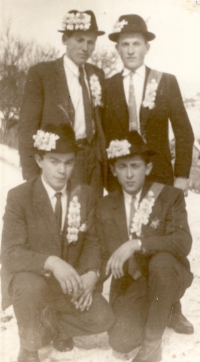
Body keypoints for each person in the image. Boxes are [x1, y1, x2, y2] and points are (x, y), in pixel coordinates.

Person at [1, 123, 114, 362]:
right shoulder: (20, 197)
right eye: (54, 161)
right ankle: (30, 346)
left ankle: (54, 325)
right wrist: (50, 261)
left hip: (68, 284)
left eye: (69, 162)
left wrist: (92, 274)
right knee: (29, 286)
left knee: (104, 317)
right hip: (33, 279)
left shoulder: (85, 195)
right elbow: (10, 253)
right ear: (40, 160)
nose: (62, 170)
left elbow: (93, 243)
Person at [97, 131, 193, 362]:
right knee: (121, 341)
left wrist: (137, 244)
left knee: (161, 263)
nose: (129, 174)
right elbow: (99, 250)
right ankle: (159, 312)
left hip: (167, 274)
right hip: (133, 282)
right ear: (113, 170)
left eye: (135, 166)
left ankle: (152, 344)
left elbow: (183, 241)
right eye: (122, 166)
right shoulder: (105, 205)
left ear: (147, 168)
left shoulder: (169, 196)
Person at [103, 14, 194, 197]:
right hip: (120, 180)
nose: (130, 51)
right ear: (117, 48)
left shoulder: (166, 82)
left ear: (147, 47)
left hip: (160, 177)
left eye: (136, 44)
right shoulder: (107, 86)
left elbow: (184, 132)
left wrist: (181, 175)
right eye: (125, 44)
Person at [18, 10, 107, 197]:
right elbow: (27, 128)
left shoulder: (96, 74)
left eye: (91, 42)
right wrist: (31, 176)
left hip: (93, 162)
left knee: (92, 217)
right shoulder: (42, 74)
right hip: (61, 161)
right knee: (63, 218)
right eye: (79, 40)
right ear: (65, 39)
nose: (85, 47)